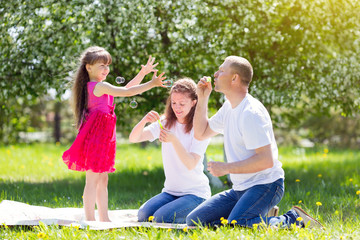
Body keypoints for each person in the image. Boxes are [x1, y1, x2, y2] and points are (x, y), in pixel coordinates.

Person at [186, 56, 323, 229]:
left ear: (234, 78)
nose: (215, 74)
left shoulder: (251, 113)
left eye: (221, 71)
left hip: (266, 185)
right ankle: (256, 217)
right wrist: (202, 98)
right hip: (240, 189)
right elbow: (201, 133)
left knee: (239, 225)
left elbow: (266, 161)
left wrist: (226, 168)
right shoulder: (228, 107)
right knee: (195, 221)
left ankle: (293, 219)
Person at [62, 46, 166, 222]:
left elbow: (126, 88)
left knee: (102, 180)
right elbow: (127, 92)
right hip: (96, 139)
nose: (106, 69)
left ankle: (104, 218)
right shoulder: (98, 86)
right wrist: (152, 83)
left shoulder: (100, 87)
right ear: (88, 67)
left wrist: (143, 73)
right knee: (92, 181)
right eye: (101, 65)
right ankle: (90, 220)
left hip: (103, 140)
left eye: (107, 65)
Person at [129, 78, 211, 224]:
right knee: (143, 215)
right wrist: (144, 121)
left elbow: (191, 163)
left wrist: (174, 140)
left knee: (160, 217)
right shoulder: (165, 122)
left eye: (182, 103)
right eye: (174, 103)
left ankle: (202, 211)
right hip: (170, 192)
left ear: (193, 103)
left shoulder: (200, 128)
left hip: (195, 194)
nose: (177, 107)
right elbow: (134, 138)